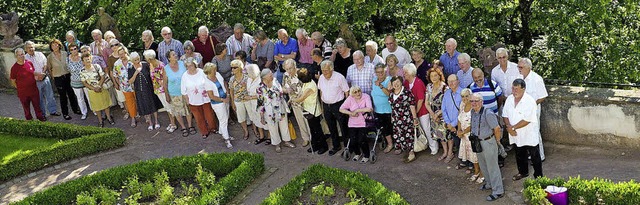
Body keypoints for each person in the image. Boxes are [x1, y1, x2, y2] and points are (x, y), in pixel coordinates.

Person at [503, 79, 543, 181]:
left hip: (528, 133)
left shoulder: (530, 101)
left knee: (534, 156)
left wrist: (512, 128)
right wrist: (508, 126)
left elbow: (527, 120)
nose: (514, 91)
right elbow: (505, 115)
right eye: (513, 88)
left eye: (516, 89)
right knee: (519, 153)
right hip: (515, 133)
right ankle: (523, 172)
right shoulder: (509, 99)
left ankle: (539, 177)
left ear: (523, 89)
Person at [470, 93, 504, 201]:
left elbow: (497, 128)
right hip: (478, 142)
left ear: (481, 101)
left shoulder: (488, 113)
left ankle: (498, 191)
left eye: (476, 101)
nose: (474, 103)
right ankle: (489, 183)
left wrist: (497, 142)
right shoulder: (473, 111)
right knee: (483, 165)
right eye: (472, 101)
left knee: (492, 167)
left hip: (488, 142)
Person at [257, 69, 295, 153]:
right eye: (270, 75)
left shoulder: (275, 81)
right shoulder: (260, 87)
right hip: (270, 111)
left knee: (284, 125)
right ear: (264, 77)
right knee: (273, 128)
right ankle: (277, 144)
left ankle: (286, 141)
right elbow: (260, 103)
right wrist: (262, 116)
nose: (272, 76)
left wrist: (287, 90)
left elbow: (281, 91)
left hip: (280, 107)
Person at [291, 68, 328, 154]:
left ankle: (323, 146)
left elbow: (302, 98)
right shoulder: (306, 83)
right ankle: (315, 145)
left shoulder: (311, 86)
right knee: (312, 129)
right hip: (308, 109)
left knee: (317, 130)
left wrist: (293, 100)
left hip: (313, 111)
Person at [403, 63, 437, 155]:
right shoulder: (406, 83)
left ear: (410, 73)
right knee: (418, 129)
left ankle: (433, 146)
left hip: (422, 110)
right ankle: (421, 145)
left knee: (426, 128)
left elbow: (421, 100)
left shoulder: (418, 83)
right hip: (413, 111)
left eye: (405, 72)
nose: (404, 74)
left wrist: (416, 112)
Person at [317, 60, 350, 156]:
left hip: (338, 105)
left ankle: (347, 147)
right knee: (331, 127)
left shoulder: (339, 77)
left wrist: (346, 106)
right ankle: (336, 146)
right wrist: (322, 105)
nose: (324, 72)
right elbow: (320, 91)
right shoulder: (322, 77)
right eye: (323, 70)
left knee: (343, 127)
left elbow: (346, 92)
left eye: (326, 70)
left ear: (332, 69)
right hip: (326, 105)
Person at [181, 58, 219, 139]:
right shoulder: (184, 76)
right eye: (187, 66)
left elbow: (209, 83)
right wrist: (188, 101)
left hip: (205, 99)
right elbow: (183, 91)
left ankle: (213, 128)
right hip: (193, 101)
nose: (189, 68)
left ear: (195, 65)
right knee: (199, 118)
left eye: (191, 65)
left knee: (209, 115)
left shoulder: (202, 72)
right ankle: (204, 131)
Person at [518, 57, 548, 161]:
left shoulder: (536, 79)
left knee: (534, 131)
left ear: (528, 67)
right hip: (521, 109)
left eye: (521, 67)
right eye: (518, 67)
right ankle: (531, 153)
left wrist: (531, 104)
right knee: (524, 131)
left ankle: (540, 156)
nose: (519, 69)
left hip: (533, 109)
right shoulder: (520, 78)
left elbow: (543, 96)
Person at [163, 49, 195, 137]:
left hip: (185, 92)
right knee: (177, 111)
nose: (175, 55)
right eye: (173, 54)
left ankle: (190, 125)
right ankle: (183, 127)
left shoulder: (182, 64)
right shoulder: (166, 68)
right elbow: (165, 84)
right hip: (174, 93)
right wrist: (167, 95)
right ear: (169, 58)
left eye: (175, 54)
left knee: (188, 109)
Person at [128, 52, 163, 129]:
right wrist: (136, 73)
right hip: (139, 90)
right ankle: (150, 123)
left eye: (138, 59)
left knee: (153, 105)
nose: (137, 61)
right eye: (135, 60)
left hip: (149, 88)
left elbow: (152, 74)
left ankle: (156, 121)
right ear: (132, 61)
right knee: (145, 106)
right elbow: (130, 81)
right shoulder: (130, 68)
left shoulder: (145, 64)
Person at [47, 39, 80, 120]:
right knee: (63, 96)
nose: (55, 46)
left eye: (56, 44)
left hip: (68, 76)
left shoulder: (65, 53)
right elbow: (49, 68)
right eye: (53, 45)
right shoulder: (50, 57)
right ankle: (65, 113)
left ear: (59, 45)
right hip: (58, 78)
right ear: (51, 47)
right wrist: (54, 77)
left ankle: (76, 109)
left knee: (71, 94)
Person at [24, 41, 59, 117]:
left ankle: (53, 111)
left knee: (50, 96)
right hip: (35, 82)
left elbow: (45, 64)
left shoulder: (40, 54)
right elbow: (27, 71)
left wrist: (43, 73)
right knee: (39, 99)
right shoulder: (25, 58)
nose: (31, 49)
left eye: (32, 47)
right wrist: (38, 75)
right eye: (29, 47)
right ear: (25, 49)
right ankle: (42, 114)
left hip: (45, 78)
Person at [389, 76, 419, 162]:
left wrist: (415, 118)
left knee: (409, 135)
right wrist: (392, 117)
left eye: (398, 82)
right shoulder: (391, 93)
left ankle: (411, 153)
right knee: (399, 134)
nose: (396, 84)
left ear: (401, 82)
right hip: (396, 119)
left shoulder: (407, 92)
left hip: (407, 119)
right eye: (394, 83)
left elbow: (412, 106)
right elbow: (392, 107)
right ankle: (403, 149)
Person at [11, 48, 46, 121]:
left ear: (24, 54)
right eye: (19, 55)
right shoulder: (14, 68)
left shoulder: (29, 63)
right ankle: (30, 121)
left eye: (22, 54)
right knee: (26, 109)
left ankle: (41, 119)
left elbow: (32, 73)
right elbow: (13, 81)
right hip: (23, 93)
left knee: (37, 107)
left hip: (34, 91)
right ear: (16, 56)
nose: (21, 56)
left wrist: (40, 75)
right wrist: (20, 88)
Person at [204, 62, 233, 148]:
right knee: (223, 120)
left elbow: (224, 83)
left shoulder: (218, 74)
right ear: (209, 71)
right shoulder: (207, 82)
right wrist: (222, 100)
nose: (215, 71)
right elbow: (211, 96)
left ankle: (222, 133)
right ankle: (227, 139)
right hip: (218, 103)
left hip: (225, 99)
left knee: (225, 117)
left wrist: (227, 94)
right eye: (213, 70)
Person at [80, 53, 114, 127]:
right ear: (83, 61)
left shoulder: (97, 66)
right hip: (92, 91)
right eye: (86, 60)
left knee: (106, 105)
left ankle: (109, 118)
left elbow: (102, 76)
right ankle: (100, 121)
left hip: (101, 88)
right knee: (97, 107)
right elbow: (84, 83)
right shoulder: (82, 71)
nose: (88, 60)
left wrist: (99, 86)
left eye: (89, 59)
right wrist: (94, 88)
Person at [457, 88, 483, 184]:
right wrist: (459, 130)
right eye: (463, 96)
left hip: (473, 135)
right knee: (471, 156)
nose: (465, 98)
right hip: (464, 136)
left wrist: (463, 132)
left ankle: (482, 174)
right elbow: (459, 118)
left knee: (477, 156)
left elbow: (474, 123)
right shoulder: (462, 105)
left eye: (467, 96)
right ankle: (476, 172)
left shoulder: (474, 106)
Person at [426, 69, 452, 162]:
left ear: (439, 76)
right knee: (440, 135)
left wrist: (438, 113)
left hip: (444, 115)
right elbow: (426, 103)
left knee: (448, 135)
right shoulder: (429, 86)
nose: (433, 78)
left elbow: (448, 103)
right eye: (431, 76)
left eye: (435, 75)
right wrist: (433, 114)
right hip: (433, 115)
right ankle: (445, 152)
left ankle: (450, 153)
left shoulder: (445, 88)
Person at [145, 50, 175, 132]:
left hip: (163, 89)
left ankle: (173, 124)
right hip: (157, 89)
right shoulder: (151, 65)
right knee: (166, 107)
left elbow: (165, 78)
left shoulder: (161, 65)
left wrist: (166, 91)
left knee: (169, 107)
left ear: (150, 58)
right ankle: (171, 122)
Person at [282, 59, 310, 147]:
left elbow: (308, 86)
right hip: (294, 102)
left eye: (290, 68)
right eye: (286, 69)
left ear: (295, 66)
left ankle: (313, 138)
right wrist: (286, 90)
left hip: (305, 101)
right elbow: (282, 87)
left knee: (308, 121)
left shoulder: (301, 73)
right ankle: (305, 138)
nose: (289, 71)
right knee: (300, 121)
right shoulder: (285, 75)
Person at [228, 59, 254, 140]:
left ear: (239, 68)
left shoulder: (247, 77)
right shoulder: (232, 79)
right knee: (241, 117)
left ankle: (255, 130)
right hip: (238, 100)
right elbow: (231, 91)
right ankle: (245, 131)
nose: (232, 69)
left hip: (248, 99)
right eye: (231, 67)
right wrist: (232, 102)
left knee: (252, 115)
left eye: (235, 67)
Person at [371, 64, 394, 153]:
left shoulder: (389, 80)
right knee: (382, 128)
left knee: (388, 128)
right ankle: (387, 142)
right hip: (377, 109)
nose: (380, 74)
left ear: (385, 71)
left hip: (387, 109)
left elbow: (389, 94)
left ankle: (390, 144)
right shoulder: (374, 80)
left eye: (382, 72)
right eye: (378, 72)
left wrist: (380, 86)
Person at [112, 47, 137, 127]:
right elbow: (115, 74)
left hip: (136, 85)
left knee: (139, 100)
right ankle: (133, 117)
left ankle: (146, 115)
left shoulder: (132, 60)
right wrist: (118, 83)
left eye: (123, 53)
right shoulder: (117, 63)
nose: (121, 55)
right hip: (125, 86)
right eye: (120, 54)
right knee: (130, 102)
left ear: (126, 53)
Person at [442, 74, 464, 162]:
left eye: (453, 81)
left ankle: (468, 164)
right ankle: (462, 161)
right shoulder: (447, 93)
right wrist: (448, 123)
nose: (451, 83)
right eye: (449, 81)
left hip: (460, 124)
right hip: (450, 125)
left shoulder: (463, 93)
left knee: (464, 144)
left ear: (458, 81)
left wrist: (453, 124)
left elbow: (463, 111)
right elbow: (443, 109)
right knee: (458, 144)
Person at [245, 64, 269, 144]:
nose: (246, 73)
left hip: (261, 104)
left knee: (265, 120)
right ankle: (262, 136)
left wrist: (251, 97)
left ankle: (269, 137)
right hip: (252, 104)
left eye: (248, 72)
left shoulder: (260, 80)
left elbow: (263, 94)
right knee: (257, 120)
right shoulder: (249, 79)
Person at [67, 43, 89, 120]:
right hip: (75, 82)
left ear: (77, 49)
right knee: (80, 98)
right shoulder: (68, 59)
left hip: (86, 80)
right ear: (69, 51)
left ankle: (95, 110)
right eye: (71, 50)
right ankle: (84, 113)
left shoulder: (82, 56)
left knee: (89, 97)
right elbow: (68, 69)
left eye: (75, 49)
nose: (74, 51)